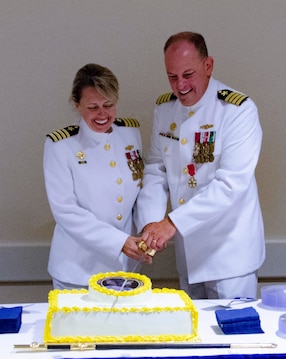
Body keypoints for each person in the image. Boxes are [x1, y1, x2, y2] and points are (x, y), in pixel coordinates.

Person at [135, 32, 265, 299]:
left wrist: (171, 223)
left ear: (208, 66)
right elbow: (156, 169)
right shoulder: (165, 110)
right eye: (172, 76)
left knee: (233, 338)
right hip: (188, 255)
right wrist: (150, 225)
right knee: (193, 337)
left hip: (230, 256)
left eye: (188, 74)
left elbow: (230, 185)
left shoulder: (237, 110)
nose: (180, 85)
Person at [43, 63, 152, 290]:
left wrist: (147, 232)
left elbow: (138, 192)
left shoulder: (129, 133)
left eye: (108, 105)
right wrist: (119, 242)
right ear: (77, 104)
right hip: (77, 270)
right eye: (93, 107)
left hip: (124, 268)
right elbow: (66, 211)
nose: (102, 114)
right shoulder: (61, 145)